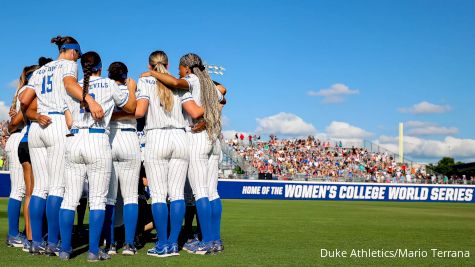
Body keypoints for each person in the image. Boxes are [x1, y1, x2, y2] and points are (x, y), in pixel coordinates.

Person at [19, 36, 104, 256]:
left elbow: (24, 99)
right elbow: (69, 85)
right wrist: (91, 100)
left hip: (38, 126)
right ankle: (54, 241)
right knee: (56, 187)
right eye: (78, 54)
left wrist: (36, 115)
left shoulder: (40, 70)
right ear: (73, 51)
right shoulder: (68, 65)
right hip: (56, 122)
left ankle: (36, 241)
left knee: (39, 188)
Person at [142, 53, 225, 254]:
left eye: (180, 68)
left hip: (195, 137)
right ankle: (215, 239)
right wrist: (210, 119)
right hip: (213, 138)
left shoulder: (189, 80)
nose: (179, 72)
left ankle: (205, 241)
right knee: (213, 192)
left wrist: (151, 73)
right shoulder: (208, 83)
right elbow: (223, 96)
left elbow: (173, 82)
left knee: (200, 192)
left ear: (186, 68)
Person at [58, 51, 135, 262]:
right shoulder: (109, 84)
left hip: (74, 139)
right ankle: (93, 251)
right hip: (98, 138)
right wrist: (130, 87)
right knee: (98, 200)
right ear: (100, 67)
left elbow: (67, 120)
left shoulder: (72, 88)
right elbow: (130, 107)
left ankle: (65, 249)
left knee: (69, 199)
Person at [136, 50, 204, 257]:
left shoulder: (145, 81)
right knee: (177, 195)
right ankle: (174, 244)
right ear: (168, 63)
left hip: (156, 137)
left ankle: (162, 243)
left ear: (150, 65)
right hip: (180, 137)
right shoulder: (179, 83)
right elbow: (196, 112)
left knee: (158, 195)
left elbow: (139, 112)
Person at [101, 62, 141, 256]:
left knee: (109, 197)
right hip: (130, 138)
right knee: (130, 196)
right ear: (126, 75)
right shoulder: (134, 88)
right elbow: (138, 112)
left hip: (109, 139)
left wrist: (114, 116)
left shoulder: (104, 87)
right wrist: (125, 113)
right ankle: (130, 244)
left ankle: (110, 244)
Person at [5, 63, 41, 250]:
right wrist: (11, 125)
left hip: (18, 136)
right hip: (20, 137)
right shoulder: (29, 90)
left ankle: (17, 233)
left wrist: (10, 125)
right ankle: (14, 234)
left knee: (22, 190)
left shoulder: (23, 89)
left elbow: (12, 121)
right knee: (21, 190)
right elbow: (16, 121)